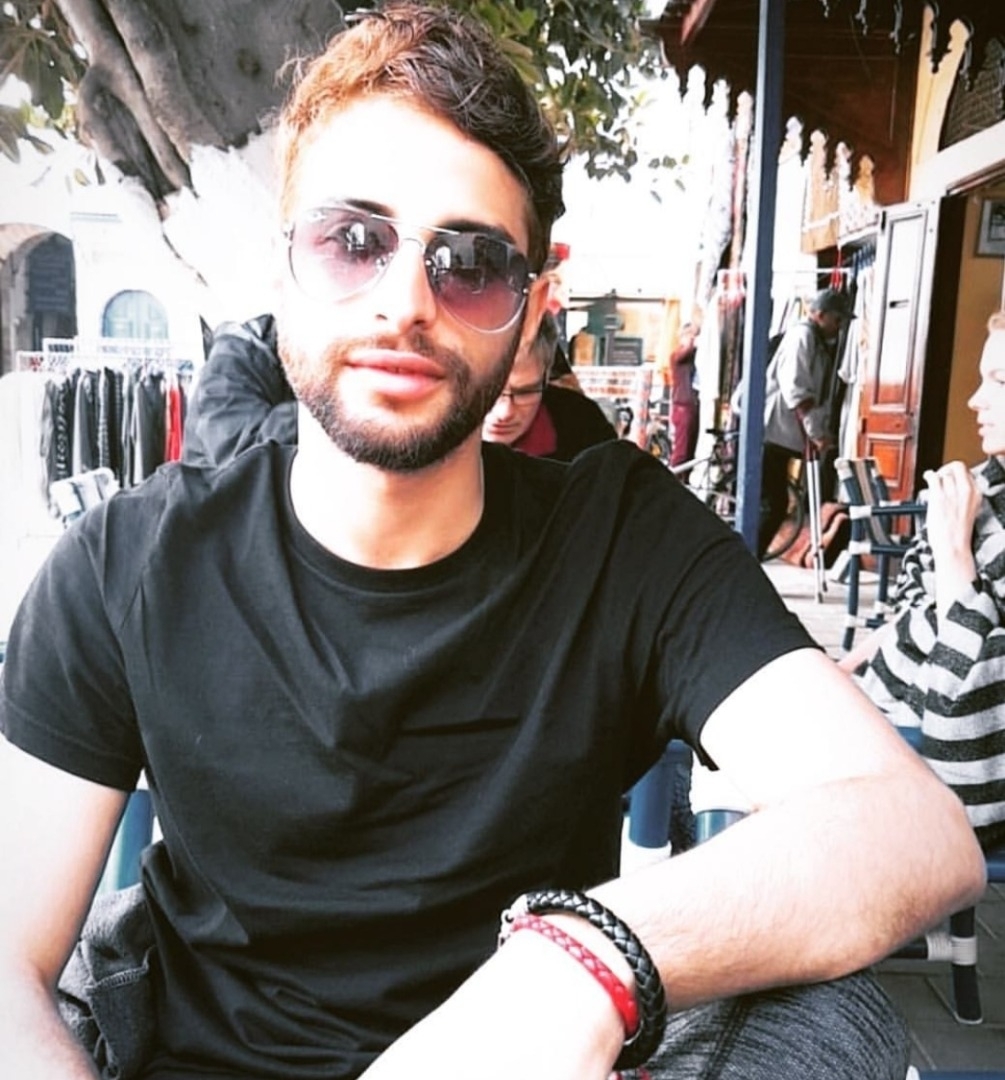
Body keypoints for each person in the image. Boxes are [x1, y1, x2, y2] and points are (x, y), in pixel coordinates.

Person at [0, 6, 984, 1080]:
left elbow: (914, 832)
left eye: (468, 263)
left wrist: (582, 962)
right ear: (283, 272)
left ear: (528, 309)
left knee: (839, 1020)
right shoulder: (129, 565)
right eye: (352, 241)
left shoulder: (620, 539)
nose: (404, 303)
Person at [841, 311, 1005, 852]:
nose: (974, 401)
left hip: (925, 783)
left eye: (999, 382)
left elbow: (971, 721)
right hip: (884, 733)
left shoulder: (974, 513)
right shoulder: (983, 494)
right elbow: (918, 613)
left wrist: (955, 553)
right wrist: (846, 668)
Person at [758, 287, 852, 556]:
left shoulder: (816, 341)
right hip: (775, 431)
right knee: (773, 505)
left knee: (774, 503)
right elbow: (797, 389)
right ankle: (749, 558)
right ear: (820, 315)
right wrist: (816, 432)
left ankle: (751, 556)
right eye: (837, 319)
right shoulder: (802, 337)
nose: (839, 326)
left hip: (784, 433)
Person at [481, 311, 616, 461]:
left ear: (546, 378)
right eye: (489, 391)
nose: (504, 413)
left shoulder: (584, 425)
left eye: (526, 392)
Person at [668, 321, 700, 480]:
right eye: (690, 335)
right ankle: (674, 480)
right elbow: (684, 353)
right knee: (682, 449)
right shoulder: (676, 355)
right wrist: (694, 341)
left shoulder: (689, 356)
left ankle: (683, 479)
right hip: (683, 406)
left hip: (689, 405)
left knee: (690, 447)